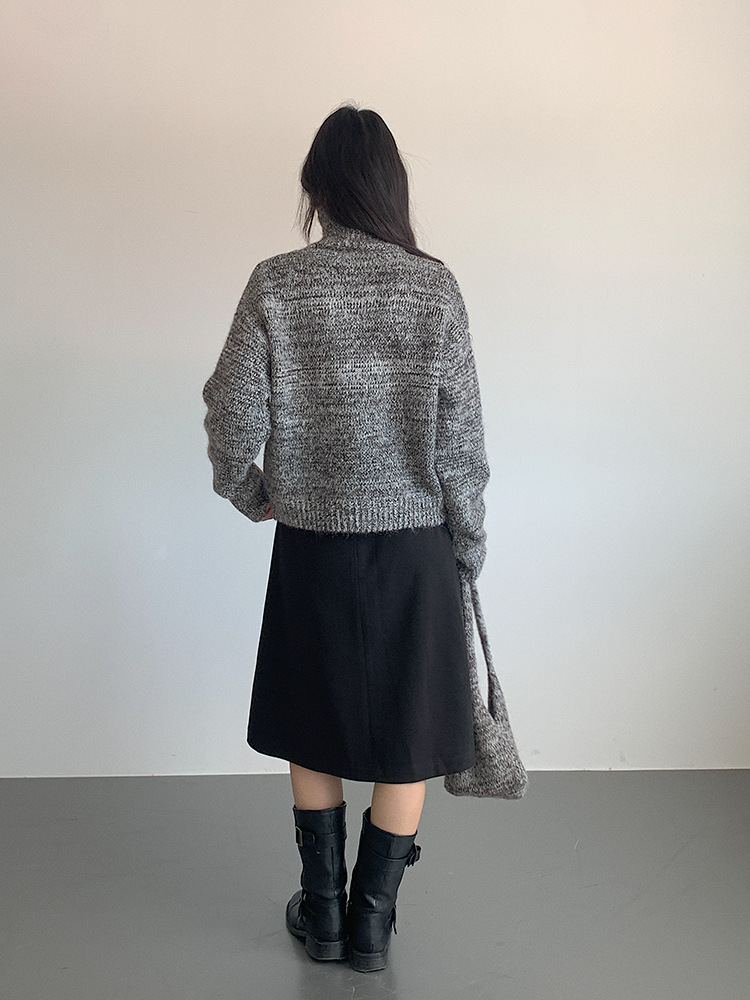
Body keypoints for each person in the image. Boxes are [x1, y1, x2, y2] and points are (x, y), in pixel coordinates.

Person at [201, 102, 490, 973]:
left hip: (313, 548)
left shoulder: (277, 284)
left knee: (312, 719)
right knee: (407, 732)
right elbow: (462, 444)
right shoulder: (433, 287)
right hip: (414, 550)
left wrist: (251, 491)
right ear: (391, 186)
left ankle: (322, 911)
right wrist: (468, 545)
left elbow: (230, 409)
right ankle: (370, 926)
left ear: (317, 188)